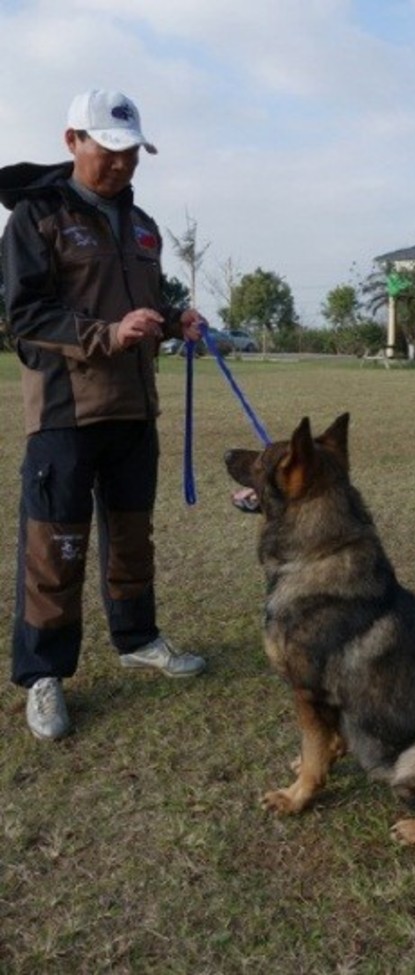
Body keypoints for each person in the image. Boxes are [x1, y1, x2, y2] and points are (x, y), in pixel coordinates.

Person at [0, 89, 207, 741]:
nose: (121, 164)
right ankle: (43, 676)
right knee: (54, 548)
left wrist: (177, 320)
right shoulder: (37, 217)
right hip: (65, 412)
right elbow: (25, 318)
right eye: (108, 150)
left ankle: (138, 638)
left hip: (134, 412)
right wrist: (107, 335)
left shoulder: (142, 225)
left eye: (131, 153)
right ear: (72, 142)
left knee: (131, 537)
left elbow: (144, 299)